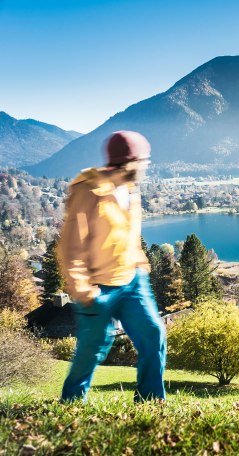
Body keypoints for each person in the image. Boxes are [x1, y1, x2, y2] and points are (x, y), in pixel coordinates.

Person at [57, 131, 166, 402]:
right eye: (144, 160)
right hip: (98, 286)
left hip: (132, 279)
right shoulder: (89, 191)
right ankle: (71, 403)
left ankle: (150, 401)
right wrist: (82, 287)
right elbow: (71, 246)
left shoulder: (130, 189)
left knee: (153, 334)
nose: (146, 166)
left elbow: (129, 234)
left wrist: (140, 264)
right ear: (129, 162)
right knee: (93, 347)